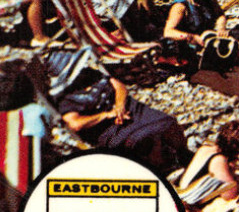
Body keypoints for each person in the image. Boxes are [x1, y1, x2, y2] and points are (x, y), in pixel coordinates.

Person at [56, 71, 187, 176]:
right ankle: (164, 171)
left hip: (131, 110)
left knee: (168, 123)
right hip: (111, 129)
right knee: (143, 140)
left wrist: (119, 106)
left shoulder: (91, 74)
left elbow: (119, 86)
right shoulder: (66, 100)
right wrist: (105, 115)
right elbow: (74, 124)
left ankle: (183, 155)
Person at [177, 120, 239, 212]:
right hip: (187, 208)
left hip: (182, 194)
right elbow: (229, 193)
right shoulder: (218, 160)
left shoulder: (206, 148)